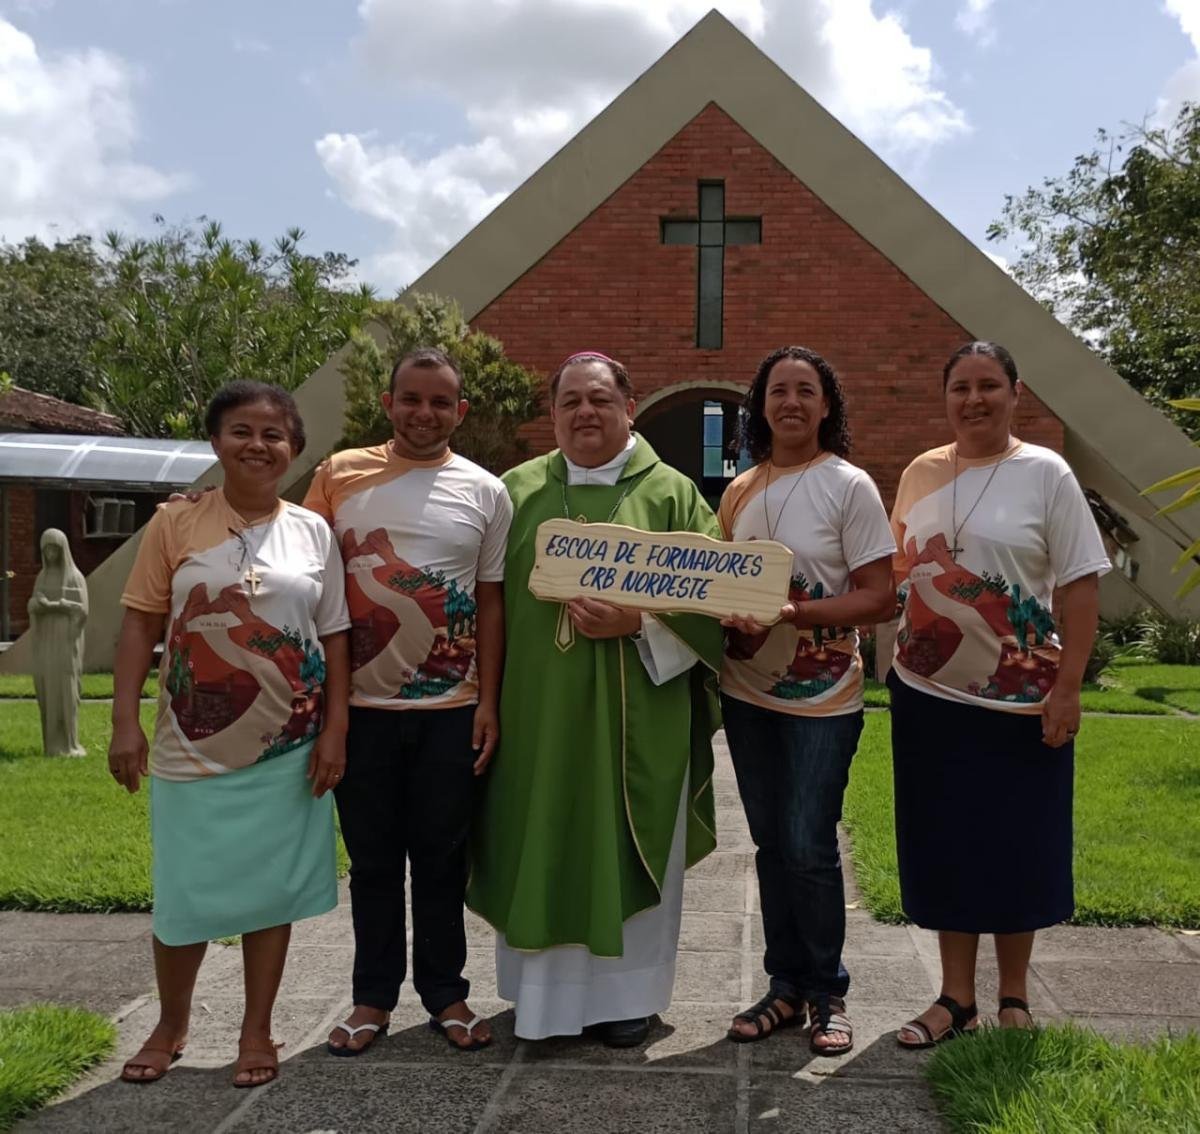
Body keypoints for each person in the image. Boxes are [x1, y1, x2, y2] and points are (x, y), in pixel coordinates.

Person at [467, 351, 724, 1047]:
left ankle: (626, 1002)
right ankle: (538, 1000)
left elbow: (716, 604)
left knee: (629, 845)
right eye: (571, 401)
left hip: (637, 716)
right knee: (538, 836)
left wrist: (638, 622)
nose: (586, 412)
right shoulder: (513, 491)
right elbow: (479, 598)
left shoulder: (672, 495)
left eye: (601, 399)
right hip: (534, 716)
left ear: (629, 407)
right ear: (551, 414)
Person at [110, 381, 350, 1088]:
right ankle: (171, 1024)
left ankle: (257, 1030)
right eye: (242, 431)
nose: (258, 445)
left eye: (274, 435)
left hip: (289, 749)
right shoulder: (176, 524)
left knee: (268, 892)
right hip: (191, 745)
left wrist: (335, 731)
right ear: (216, 442)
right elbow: (139, 621)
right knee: (183, 890)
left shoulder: (313, 531)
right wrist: (124, 720)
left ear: (295, 450)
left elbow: (333, 636)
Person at [889, 341, 1109, 1047]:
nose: (974, 399)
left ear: (1016, 392)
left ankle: (1013, 994)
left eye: (989, 386)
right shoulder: (921, 473)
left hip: (1022, 700)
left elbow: (1078, 584)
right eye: (960, 387)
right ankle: (955, 998)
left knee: (1018, 840)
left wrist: (1068, 688)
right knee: (946, 840)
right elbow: (901, 572)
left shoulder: (1046, 473)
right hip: (927, 695)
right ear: (945, 396)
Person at [302, 347, 511, 1055]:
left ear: (462, 411)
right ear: (388, 404)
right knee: (373, 861)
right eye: (412, 399)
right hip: (359, 713)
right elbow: (294, 553)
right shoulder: (339, 475)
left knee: (444, 857)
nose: (425, 413)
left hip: (451, 710)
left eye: (440, 402)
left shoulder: (486, 491)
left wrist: (489, 698)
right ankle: (372, 997)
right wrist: (206, 507)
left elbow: (489, 601)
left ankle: (447, 993)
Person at [717, 347, 896, 1055]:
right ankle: (784, 986)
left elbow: (879, 595)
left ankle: (828, 992)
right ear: (761, 406)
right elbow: (723, 583)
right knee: (769, 845)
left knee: (808, 844)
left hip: (824, 696)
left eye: (806, 391)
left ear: (827, 406)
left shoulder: (849, 486)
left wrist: (790, 616)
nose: (791, 402)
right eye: (778, 391)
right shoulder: (740, 489)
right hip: (747, 691)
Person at [28, 528, 88, 756]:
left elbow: (83, 611)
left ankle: (69, 742)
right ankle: (52, 742)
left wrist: (62, 606)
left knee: (66, 690)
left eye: (55, 549)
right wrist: (36, 605)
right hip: (47, 643)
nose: (51, 554)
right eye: (46, 550)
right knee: (49, 689)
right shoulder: (41, 578)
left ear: (63, 550)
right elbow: (33, 605)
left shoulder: (75, 577)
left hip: (65, 642)